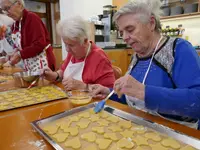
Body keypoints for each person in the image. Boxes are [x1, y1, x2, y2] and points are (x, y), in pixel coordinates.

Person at [90, 0, 200, 129]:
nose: (124, 37)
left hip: (176, 133)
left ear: (151, 24)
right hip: (139, 127)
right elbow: (133, 100)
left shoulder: (178, 49)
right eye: (121, 32)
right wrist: (109, 93)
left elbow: (197, 102)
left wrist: (144, 91)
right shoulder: (136, 56)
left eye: (130, 29)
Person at [43, 16, 115, 91]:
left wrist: (84, 87)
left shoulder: (100, 58)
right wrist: (54, 75)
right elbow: (62, 71)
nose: (67, 49)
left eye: (71, 45)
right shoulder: (72, 53)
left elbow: (110, 92)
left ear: (85, 41)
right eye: (65, 44)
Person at [0, 0, 56, 71]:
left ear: (19, 4)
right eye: (4, 10)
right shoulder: (15, 25)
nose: (7, 13)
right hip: (29, 65)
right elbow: (19, 46)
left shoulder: (32, 18)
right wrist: (13, 53)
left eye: (7, 8)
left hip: (42, 62)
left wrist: (20, 55)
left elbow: (39, 44)